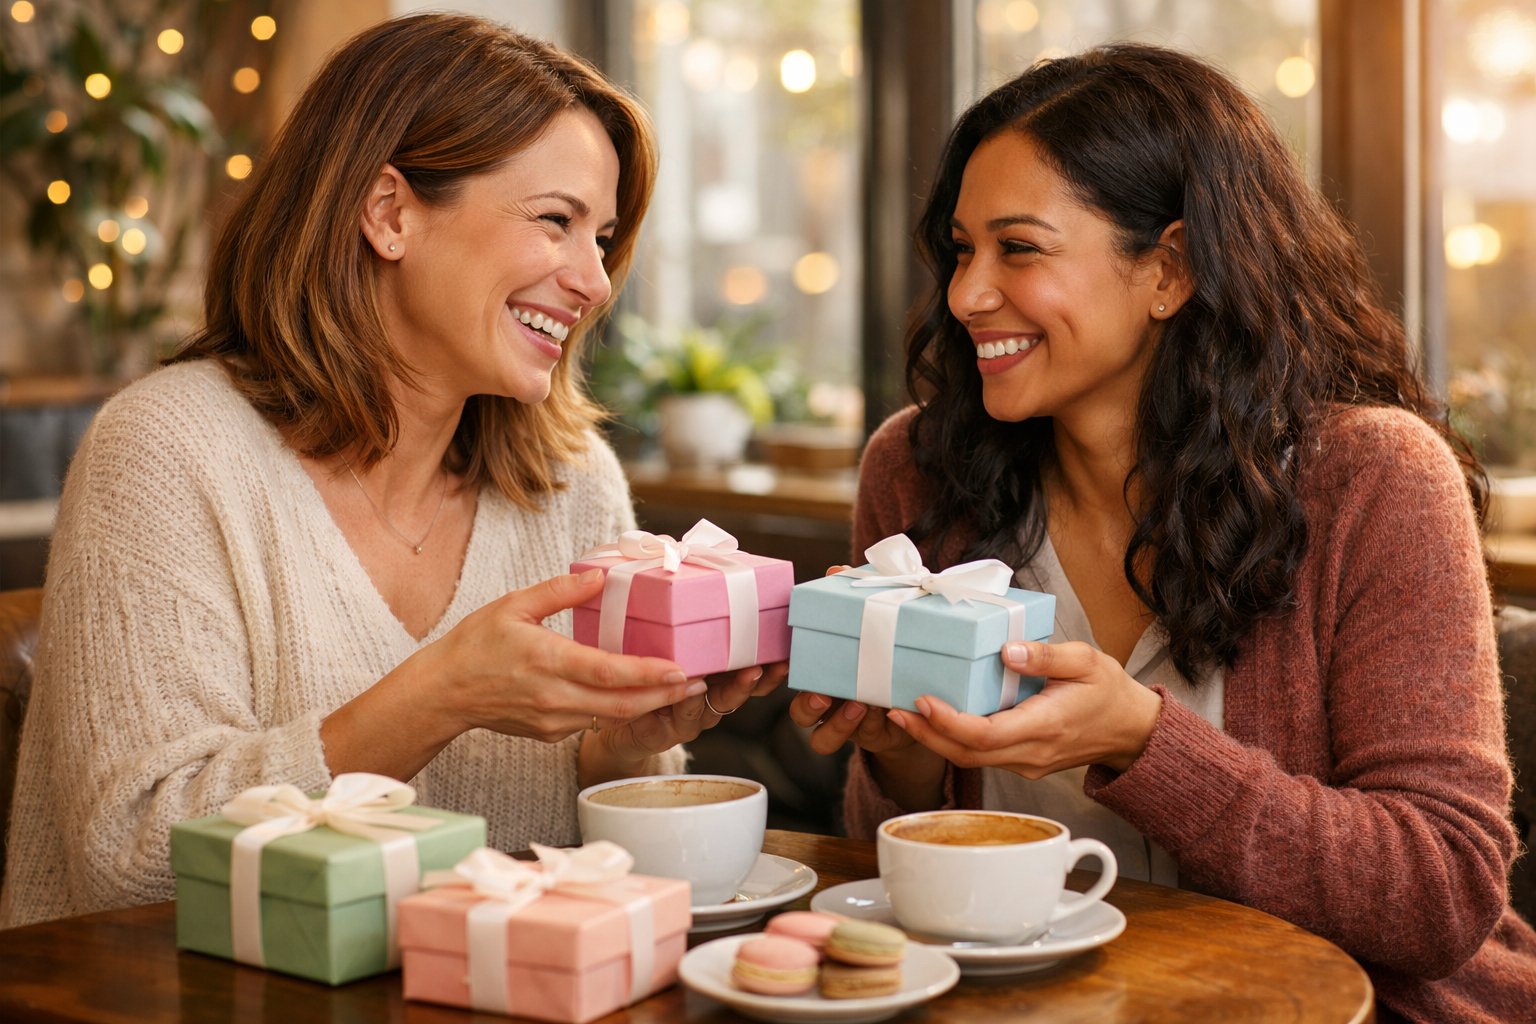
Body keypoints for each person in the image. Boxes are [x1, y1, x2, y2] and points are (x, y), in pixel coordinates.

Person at [789, 43, 1536, 1022]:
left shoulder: (1375, 480)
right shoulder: (920, 470)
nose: (968, 293)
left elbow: (1437, 891)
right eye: (961, 249)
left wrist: (1145, 741)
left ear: (1170, 271)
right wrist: (901, 755)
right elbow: (924, 872)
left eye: (1018, 248)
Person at [0, 13, 781, 928]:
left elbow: (597, 885)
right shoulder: (167, 452)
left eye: (602, 238)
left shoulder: (572, 484)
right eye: (556, 222)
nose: (597, 281)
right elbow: (135, 866)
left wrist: (617, 752)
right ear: (389, 213)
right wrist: (440, 693)